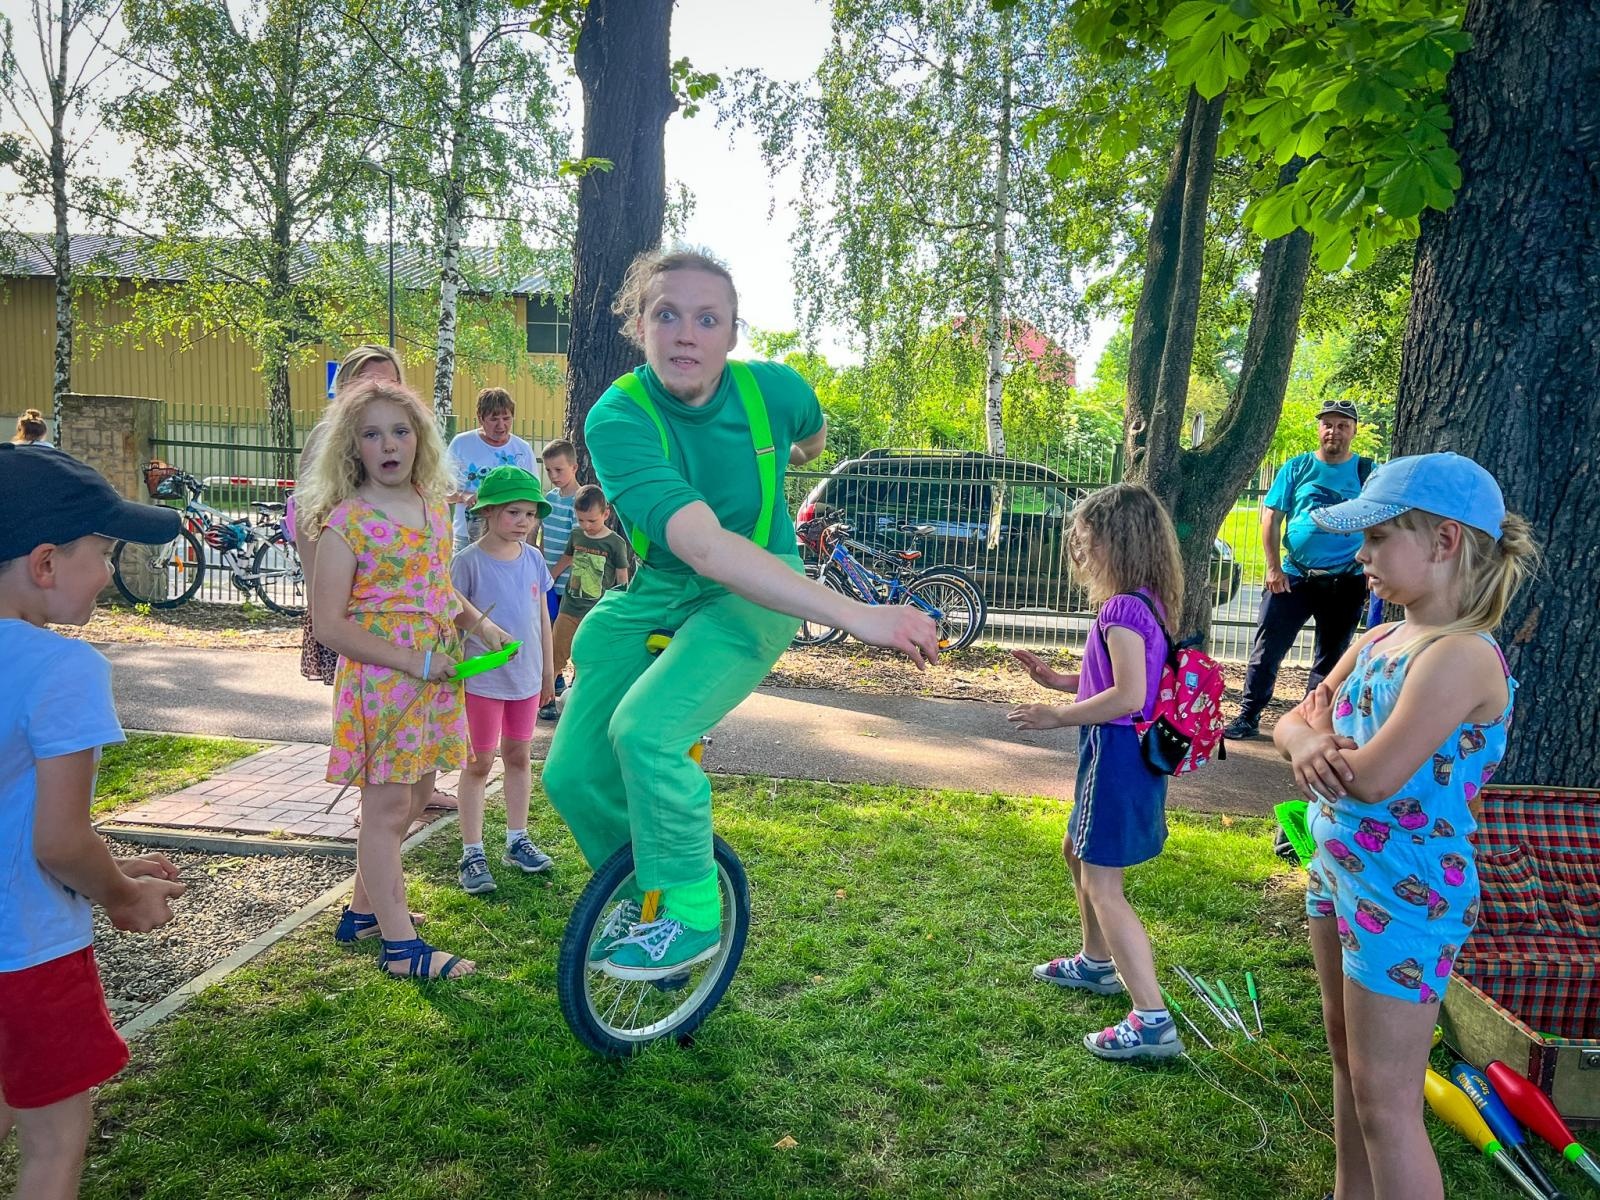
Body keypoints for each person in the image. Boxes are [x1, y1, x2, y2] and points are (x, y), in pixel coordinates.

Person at [541, 247, 938, 982]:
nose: (685, 334)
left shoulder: (777, 391)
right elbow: (698, 544)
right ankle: (638, 894)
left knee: (648, 732)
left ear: (730, 334)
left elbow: (813, 435)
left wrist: (795, 450)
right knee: (570, 773)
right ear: (639, 326)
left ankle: (692, 915)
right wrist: (862, 615)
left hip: (760, 585)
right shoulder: (619, 417)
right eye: (666, 315)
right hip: (669, 579)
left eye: (706, 319)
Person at [1275, 452, 1537, 1200]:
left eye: (1380, 537)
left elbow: (1374, 779)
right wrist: (1309, 741)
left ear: (1445, 542)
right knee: (1346, 1062)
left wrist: (1323, 749)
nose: (1361, 557)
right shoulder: (1378, 639)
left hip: (1406, 899)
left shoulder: (1462, 657)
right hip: (1339, 875)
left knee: (1388, 1103)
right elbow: (1294, 720)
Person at [0, 444, 187, 1199]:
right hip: (30, 956)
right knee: (54, 1142)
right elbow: (57, 842)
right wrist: (120, 894)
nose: (110, 573)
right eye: (103, 554)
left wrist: (110, 863)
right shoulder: (65, 670)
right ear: (45, 564)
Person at [298, 380, 515, 980]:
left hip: (435, 678)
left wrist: (478, 625)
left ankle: (362, 914)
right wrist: (415, 661)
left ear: (419, 439)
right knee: (387, 810)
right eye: (372, 434)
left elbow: (434, 588)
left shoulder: (432, 504)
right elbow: (328, 624)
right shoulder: (347, 521)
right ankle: (402, 949)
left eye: (400, 430)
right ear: (353, 447)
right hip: (384, 682)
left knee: (417, 797)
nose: (388, 444)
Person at [1006, 482, 1187, 1061]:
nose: (1080, 553)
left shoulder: (1121, 608)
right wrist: (1059, 680)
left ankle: (1152, 1020)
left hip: (1115, 756)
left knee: (1103, 885)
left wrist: (1056, 714)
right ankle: (1096, 963)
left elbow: (1129, 695)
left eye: (1086, 541)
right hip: (1124, 756)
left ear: (1117, 541)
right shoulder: (1147, 603)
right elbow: (1123, 681)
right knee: (1075, 851)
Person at [1225, 400, 1375, 740]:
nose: (1333, 431)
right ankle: (1249, 716)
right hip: (1294, 576)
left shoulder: (1367, 471)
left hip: (1346, 580)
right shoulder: (1297, 468)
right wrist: (1274, 568)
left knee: (1331, 658)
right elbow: (1271, 518)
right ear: (1319, 428)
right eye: (1328, 424)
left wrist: (1370, 565)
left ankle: (1311, 723)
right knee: (1267, 650)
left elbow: (1378, 522)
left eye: (1342, 425)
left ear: (1353, 430)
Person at [449, 466, 558, 895]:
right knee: (478, 764)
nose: (523, 523)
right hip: (483, 684)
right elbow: (454, 620)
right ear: (489, 512)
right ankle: (472, 851)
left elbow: (542, 620)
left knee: (518, 756)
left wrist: (549, 671)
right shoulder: (467, 561)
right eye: (514, 513)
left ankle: (517, 839)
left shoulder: (533, 559)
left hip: (527, 681)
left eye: (530, 515)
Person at [292, 345, 406, 689]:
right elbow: (307, 519)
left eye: (389, 382)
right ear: (344, 387)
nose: (379, 391)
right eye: (368, 382)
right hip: (348, 589)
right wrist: (317, 594)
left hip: (395, 592)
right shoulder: (327, 437)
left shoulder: (406, 437)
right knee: (357, 695)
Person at [547, 483, 631, 719]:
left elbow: (622, 576)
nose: (586, 526)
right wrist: (550, 576)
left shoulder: (615, 543)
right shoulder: (576, 535)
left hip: (595, 613)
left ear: (606, 513)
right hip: (569, 607)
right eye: (581, 520)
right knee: (557, 652)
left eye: (591, 521)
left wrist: (621, 603)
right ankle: (547, 700)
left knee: (586, 656)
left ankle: (579, 700)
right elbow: (567, 559)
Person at [447, 387, 536, 556]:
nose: (501, 425)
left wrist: (530, 542)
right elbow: (441, 490)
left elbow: (534, 498)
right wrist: (464, 496)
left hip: (512, 537)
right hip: (467, 536)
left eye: (506, 418)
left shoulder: (522, 450)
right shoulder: (462, 444)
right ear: (480, 418)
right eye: (494, 419)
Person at [538, 437, 582, 712]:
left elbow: (576, 548)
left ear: (574, 467)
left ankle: (565, 691)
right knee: (548, 635)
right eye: (549, 470)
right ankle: (552, 687)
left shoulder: (580, 501)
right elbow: (545, 538)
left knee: (566, 639)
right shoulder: (550, 499)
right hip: (549, 581)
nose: (554, 476)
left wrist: (552, 573)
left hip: (569, 584)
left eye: (559, 470)